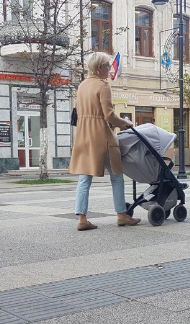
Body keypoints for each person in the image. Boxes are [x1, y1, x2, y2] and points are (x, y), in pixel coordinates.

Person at [68, 52, 140, 231]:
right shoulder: (103, 86)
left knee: (84, 178)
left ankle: (82, 219)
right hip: (101, 135)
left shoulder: (82, 86)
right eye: (107, 66)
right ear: (99, 68)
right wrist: (125, 124)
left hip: (84, 135)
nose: (109, 69)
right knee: (117, 176)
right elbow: (108, 115)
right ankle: (122, 215)